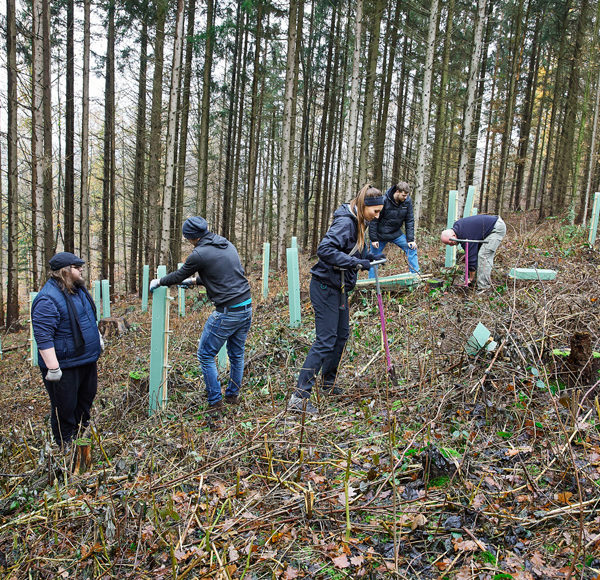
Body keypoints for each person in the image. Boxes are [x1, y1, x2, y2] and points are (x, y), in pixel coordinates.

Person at [288, 184, 385, 416]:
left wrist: (369, 258)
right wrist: (355, 264)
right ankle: (298, 398)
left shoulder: (361, 221)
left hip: (339, 286)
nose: (378, 216)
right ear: (364, 206)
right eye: (376, 211)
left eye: (380, 212)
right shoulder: (345, 222)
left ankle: (329, 385)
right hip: (325, 287)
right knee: (325, 340)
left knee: (341, 336)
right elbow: (325, 249)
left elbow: (353, 251)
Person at [150, 217, 252, 414]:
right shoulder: (225, 243)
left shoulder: (199, 254)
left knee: (205, 354)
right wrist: (195, 281)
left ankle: (215, 402)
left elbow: (178, 276)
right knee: (237, 353)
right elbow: (223, 275)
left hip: (227, 311)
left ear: (190, 237)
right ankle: (232, 396)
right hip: (246, 306)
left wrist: (160, 281)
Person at [32, 252, 102, 449]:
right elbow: (43, 336)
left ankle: (82, 437)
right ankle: (66, 446)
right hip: (64, 366)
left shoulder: (78, 290)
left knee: (86, 400)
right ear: (64, 271)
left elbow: (88, 319)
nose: (81, 269)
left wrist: (98, 339)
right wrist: (53, 368)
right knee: (65, 408)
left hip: (86, 359)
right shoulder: (47, 299)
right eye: (76, 266)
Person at [440, 214, 506, 292]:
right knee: (475, 255)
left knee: (484, 255)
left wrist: (471, 278)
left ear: (453, 235)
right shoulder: (458, 229)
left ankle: (483, 287)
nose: (450, 245)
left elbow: (471, 258)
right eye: (448, 244)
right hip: (489, 228)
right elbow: (471, 249)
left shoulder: (465, 234)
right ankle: (476, 281)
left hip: (496, 228)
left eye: (450, 242)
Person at [368, 181, 419, 277]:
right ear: (397, 192)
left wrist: (411, 240)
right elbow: (374, 220)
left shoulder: (407, 202)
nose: (405, 197)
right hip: (380, 235)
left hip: (396, 233)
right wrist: (374, 239)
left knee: (412, 248)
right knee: (374, 259)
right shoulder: (383, 200)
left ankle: (416, 276)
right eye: (403, 195)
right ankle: (372, 284)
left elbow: (409, 220)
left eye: (407, 195)